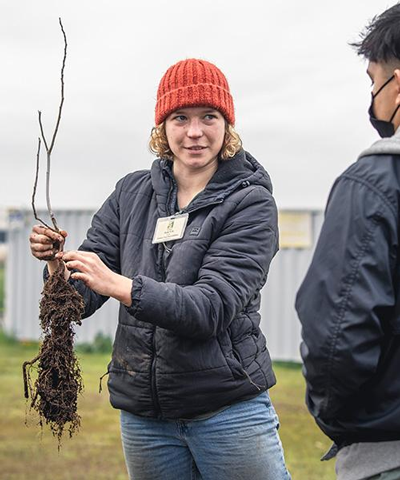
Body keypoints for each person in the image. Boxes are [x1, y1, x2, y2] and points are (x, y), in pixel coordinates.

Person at [29, 58, 291, 480]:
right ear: (161, 127)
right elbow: (81, 297)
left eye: (209, 116)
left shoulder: (250, 203)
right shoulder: (132, 193)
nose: (194, 132)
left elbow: (211, 307)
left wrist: (121, 285)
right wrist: (60, 269)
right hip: (146, 419)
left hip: (226, 412)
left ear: (227, 124)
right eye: (180, 117)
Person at [295, 4, 400, 480]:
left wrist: (334, 416)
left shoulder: (373, 186)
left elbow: (335, 342)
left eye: (372, 79)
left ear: (396, 84)